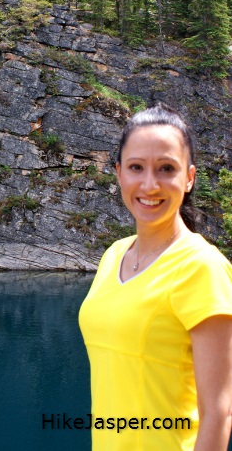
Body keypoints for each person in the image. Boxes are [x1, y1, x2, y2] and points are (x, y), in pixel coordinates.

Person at [79, 102, 232, 450]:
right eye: (136, 167)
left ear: (189, 178)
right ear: (119, 173)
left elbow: (220, 413)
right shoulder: (114, 255)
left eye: (166, 168)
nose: (150, 185)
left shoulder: (201, 267)